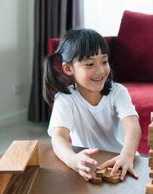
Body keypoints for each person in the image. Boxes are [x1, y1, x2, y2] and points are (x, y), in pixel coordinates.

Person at [43, 29, 141, 181]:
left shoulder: (118, 92)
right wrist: (72, 159)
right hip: (90, 164)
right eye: (90, 64)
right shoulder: (65, 99)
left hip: (123, 160)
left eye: (104, 61)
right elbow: (59, 137)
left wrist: (127, 155)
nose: (101, 70)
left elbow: (133, 126)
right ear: (68, 69)